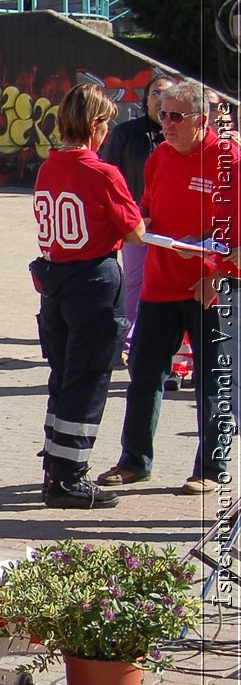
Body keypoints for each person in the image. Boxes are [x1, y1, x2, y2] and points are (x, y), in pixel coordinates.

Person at [100, 80, 241, 495]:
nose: (167, 124)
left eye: (177, 116)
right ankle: (134, 461)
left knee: (213, 379)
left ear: (203, 118)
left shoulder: (228, 160)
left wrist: (215, 273)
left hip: (212, 288)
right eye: (162, 114)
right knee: (144, 374)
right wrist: (141, 228)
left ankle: (212, 469)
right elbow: (149, 209)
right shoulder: (159, 157)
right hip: (161, 285)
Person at [31, 84, 145, 509]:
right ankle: (69, 477)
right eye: (106, 124)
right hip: (93, 279)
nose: (108, 132)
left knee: (62, 376)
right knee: (89, 379)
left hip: (55, 280)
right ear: (95, 125)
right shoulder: (102, 173)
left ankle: (54, 466)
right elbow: (134, 231)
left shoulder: (48, 168)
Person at [101, 74, 175, 360]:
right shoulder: (126, 133)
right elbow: (109, 176)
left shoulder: (180, 136)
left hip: (173, 223)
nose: (160, 99)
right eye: (155, 93)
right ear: (145, 99)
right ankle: (130, 341)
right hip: (136, 222)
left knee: (171, 282)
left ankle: (172, 344)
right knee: (135, 280)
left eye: (167, 94)